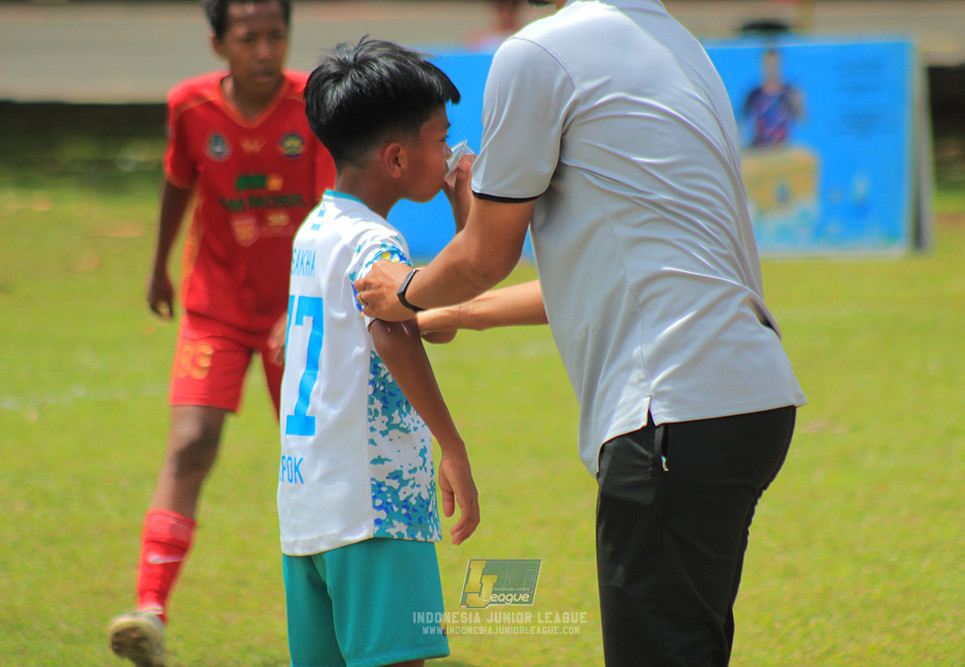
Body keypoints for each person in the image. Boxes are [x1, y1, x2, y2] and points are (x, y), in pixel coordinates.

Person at [353, 1, 806, 665]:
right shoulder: (677, 44)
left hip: (671, 406)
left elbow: (485, 253)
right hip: (747, 399)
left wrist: (406, 290)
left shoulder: (537, 54)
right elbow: (607, 275)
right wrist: (449, 314)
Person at [108, 1, 336, 665]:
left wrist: (298, 307)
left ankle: (339, 613)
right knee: (190, 441)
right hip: (216, 308)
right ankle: (149, 609)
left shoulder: (312, 106)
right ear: (218, 44)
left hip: (294, 313)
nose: (265, 51)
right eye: (248, 38)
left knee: (316, 457)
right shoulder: (189, 107)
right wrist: (158, 268)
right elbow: (179, 181)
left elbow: (327, 208)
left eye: (276, 36)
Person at [278, 37, 479, 667]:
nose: (449, 153)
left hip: (308, 510)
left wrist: (460, 209)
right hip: (376, 505)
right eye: (441, 139)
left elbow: (431, 320)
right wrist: (453, 445)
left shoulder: (317, 230)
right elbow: (395, 332)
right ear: (397, 157)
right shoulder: (376, 240)